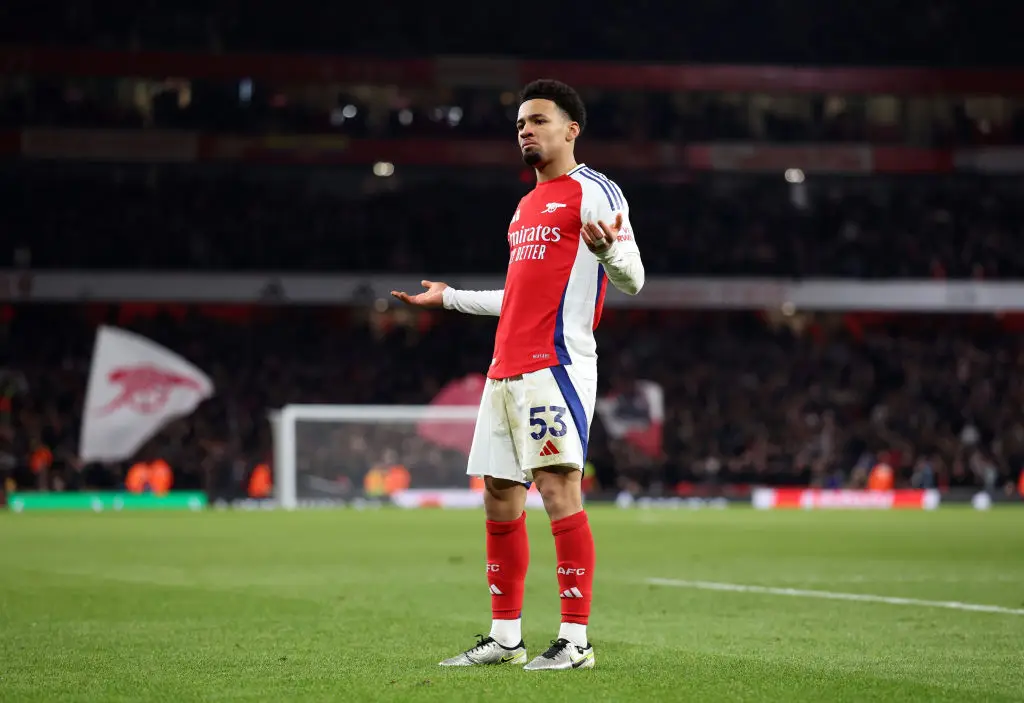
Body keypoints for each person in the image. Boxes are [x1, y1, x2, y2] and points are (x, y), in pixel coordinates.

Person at [392, 79, 645, 671]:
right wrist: (450, 298)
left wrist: (606, 250)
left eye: (537, 120)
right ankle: (505, 639)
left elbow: (633, 278)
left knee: (558, 491)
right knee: (500, 498)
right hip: (505, 367)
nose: (525, 131)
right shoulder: (526, 205)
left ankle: (575, 641)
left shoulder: (594, 191)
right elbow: (519, 296)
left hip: (555, 367)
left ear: (571, 129)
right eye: (519, 125)